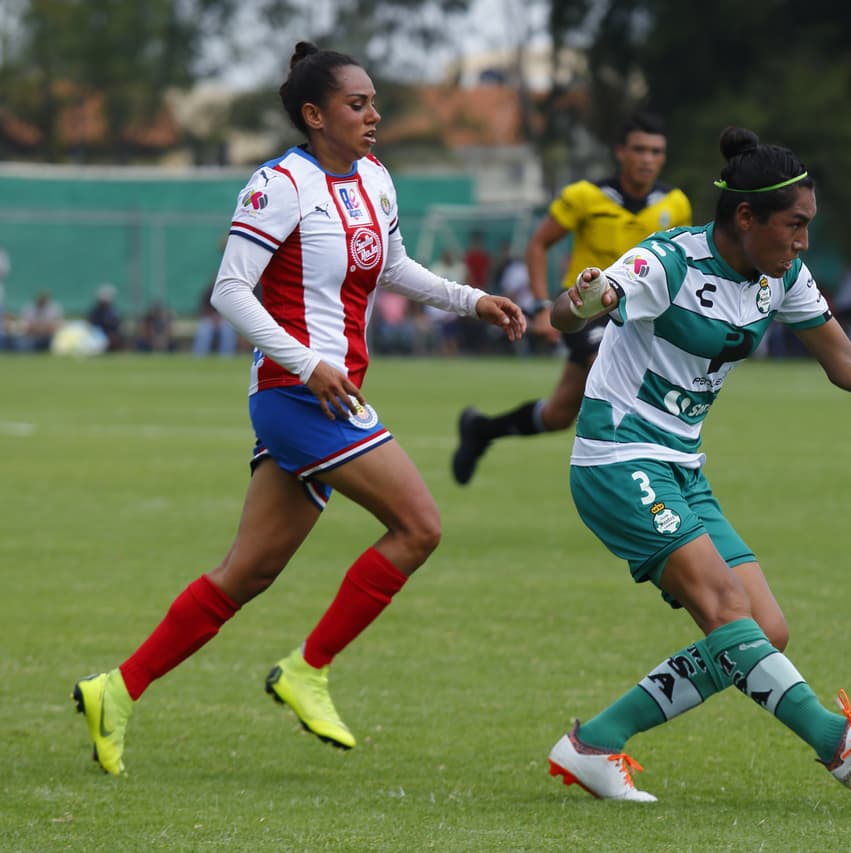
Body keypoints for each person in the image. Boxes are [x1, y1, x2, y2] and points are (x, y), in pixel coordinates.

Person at [70, 41, 525, 776]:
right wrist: (305, 361)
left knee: (244, 574)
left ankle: (116, 689)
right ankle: (308, 668)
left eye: (374, 102)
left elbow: (396, 265)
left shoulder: (375, 177)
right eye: (357, 104)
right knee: (419, 525)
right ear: (314, 116)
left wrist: (471, 300)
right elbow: (228, 291)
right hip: (296, 396)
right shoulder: (279, 183)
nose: (374, 116)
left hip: (328, 393)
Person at [543, 126, 851, 801]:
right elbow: (567, 314)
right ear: (745, 216)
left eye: (808, 226)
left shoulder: (778, 275)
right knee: (731, 612)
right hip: (619, 456)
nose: (803, 241)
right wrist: (582, 298)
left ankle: (597, 741)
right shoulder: (668, 262)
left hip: (681, 466)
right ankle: (835, 739)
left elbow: (845, 363)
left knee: (763, 631)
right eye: (795, 224)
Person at [450, 111, 692, 485]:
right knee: (606, 365)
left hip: (641, 314)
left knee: (559, 413)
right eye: (639, 150)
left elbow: (678, 263)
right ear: (621, 152)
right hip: (586, 309)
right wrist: (543, 307)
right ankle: (625, 472)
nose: (648, 159)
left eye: (656, 151)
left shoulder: (675, 204)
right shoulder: (585, 196)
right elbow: (538, 244)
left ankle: (482, 430)